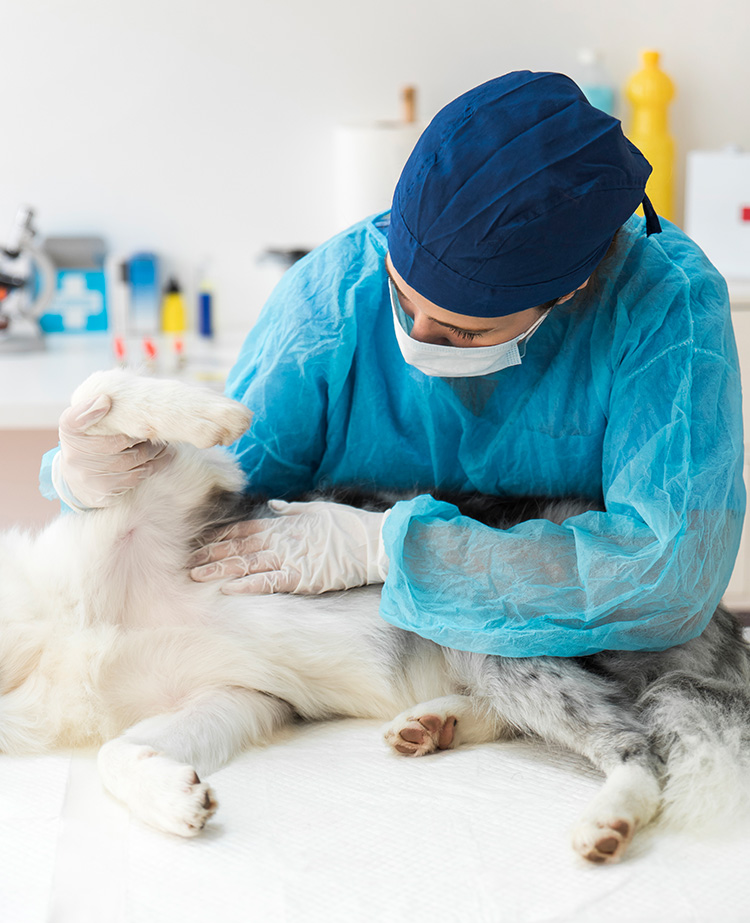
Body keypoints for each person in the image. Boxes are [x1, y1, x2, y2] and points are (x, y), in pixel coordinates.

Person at [41, 70, 745, 659]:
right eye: (404, 300)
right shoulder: (331, 296)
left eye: (466, 332)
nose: (420, 338)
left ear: (568, 291)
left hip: (581, 663)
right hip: (358, 656)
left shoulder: (666, 311)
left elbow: (668, 578)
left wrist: (389, 551)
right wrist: (103, 478)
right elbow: (228, 497)